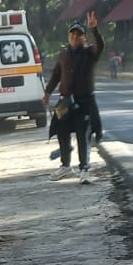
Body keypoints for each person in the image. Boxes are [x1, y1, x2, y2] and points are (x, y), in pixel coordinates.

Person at [44, 13, 104, 183]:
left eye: (79, 34)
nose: (75, 37)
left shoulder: (90, 53)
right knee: (61, 132)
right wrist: (47, 93)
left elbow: (100, 45)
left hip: (84, 102)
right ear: (69, 37)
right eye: (72, 34)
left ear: (85, 38)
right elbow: (56, 75)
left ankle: (84, 169)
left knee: (82, 135)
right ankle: (65, 166)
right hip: (65, 102)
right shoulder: (64, 55)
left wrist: (94, 29)